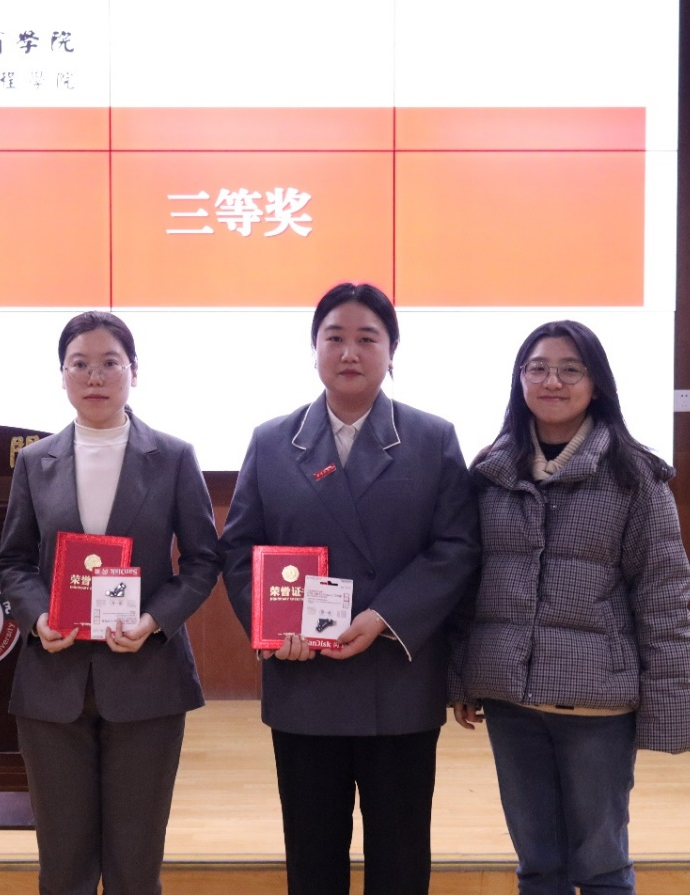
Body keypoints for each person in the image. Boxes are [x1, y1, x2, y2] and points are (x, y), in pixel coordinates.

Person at [219, 282, 481, 895]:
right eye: (334, 337)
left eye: (368, 338)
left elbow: (456, 548)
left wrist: (385, 616)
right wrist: (271, 627)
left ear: (392, 351)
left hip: (398, 677)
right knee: (312, 860)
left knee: (400, 861)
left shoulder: (432, 438)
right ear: (313, 348)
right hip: (304, 679)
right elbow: (240, 548)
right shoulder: (271, 441)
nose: (349, 352)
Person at [449, 320, 690, 895]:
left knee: (602, 867)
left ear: (596, 383)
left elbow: (665, 599)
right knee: (537, 865)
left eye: (570, 369)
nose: (552, 381)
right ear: (520, 380)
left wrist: (666, 709)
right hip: (510, 700)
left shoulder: (635, 476)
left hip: (598, 706)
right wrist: (460, 676)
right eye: (537, 368)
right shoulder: (490, 472)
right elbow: (465, 588)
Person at [0, 311, 220, 895]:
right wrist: (39, 617)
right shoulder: (36, 461)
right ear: (62, 375)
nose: (94, 376)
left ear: (134, 372)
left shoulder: (173, 456)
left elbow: (202, 561)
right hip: (54, 680)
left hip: (147, 677)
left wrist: (155, 620)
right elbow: (13, 561)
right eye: (80, 364)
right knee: (62, 864)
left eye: (109, 363)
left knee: (135, 864)